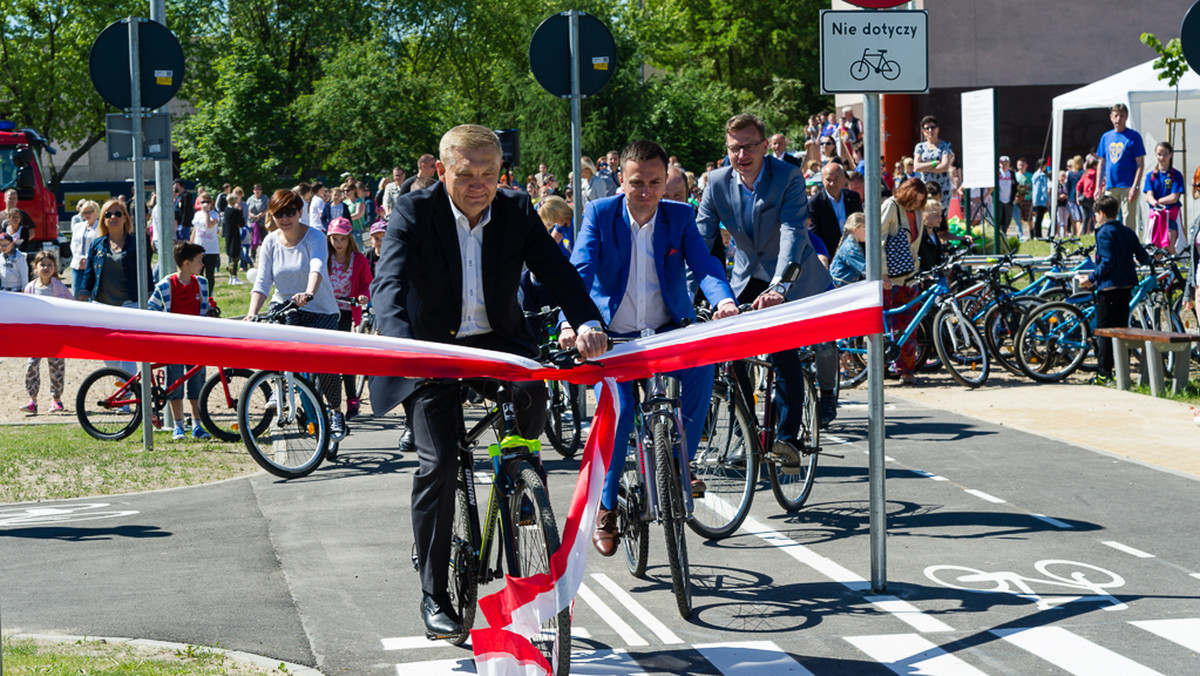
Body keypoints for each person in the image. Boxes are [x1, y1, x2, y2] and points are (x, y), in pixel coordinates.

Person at [370, 125, 607, 639]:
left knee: (530, 405)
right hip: (432, 348)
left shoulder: (518, 210)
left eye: (489, 174)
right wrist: (399, 343)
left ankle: (524, 495)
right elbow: (388, 283)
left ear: (502, 172)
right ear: (441, 170)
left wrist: (588, 322)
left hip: (499, 343)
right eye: (466, 174)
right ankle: (434, 593)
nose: (479, 184)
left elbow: (559, 273)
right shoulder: (414, 210)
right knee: (440, 462)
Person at [558, 139, 738, 556]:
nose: (646, 192)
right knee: (617, 418)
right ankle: (606, 508)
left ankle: (679, 466)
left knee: (701, 370)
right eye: (637, 182)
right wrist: (572, 322)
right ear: (620, 179)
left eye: (655, 182)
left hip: (665, 332)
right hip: (613, 341)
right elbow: (579, 271)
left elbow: (705, 264)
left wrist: (723, 300)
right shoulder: (601, 215)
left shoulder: (680, 216)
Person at [696, 113, 838, 456]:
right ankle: (748, 425)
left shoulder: (787, 175)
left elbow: (793, 232)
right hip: (746, 273)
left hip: (791, 274)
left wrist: (779, 287)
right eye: (734, 148)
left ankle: (787, 437)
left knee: (782, 349)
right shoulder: (716, 182)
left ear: (764, 147)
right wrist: (692, 290)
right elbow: (700, 241)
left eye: (749, 147)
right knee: (730, 351)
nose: (741, 155)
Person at [245, 189, 346, 434]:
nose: (285, 218)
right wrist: (251, 313)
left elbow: (317, 267)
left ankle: (335, 411)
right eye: (279, 213)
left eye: (290, 212)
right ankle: (279, 388)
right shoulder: (270, 241)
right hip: (284, 304)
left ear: (301, 212)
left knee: (324, 364)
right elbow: (262, 282)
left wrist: (309, 292)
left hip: (319, 308)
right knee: (276, 343)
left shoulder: (315, 237)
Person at [1076, 194, 1150, 385]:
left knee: (1105, 332)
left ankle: (1103, 373)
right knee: (1121, 331)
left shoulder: (1103, 233)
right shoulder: (1127, 231)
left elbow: (1107, 262)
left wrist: (1090, 279)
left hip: (1108, 288)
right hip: (1126, 287)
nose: (1096, 218)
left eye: (1096, 214)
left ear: (1101, 213)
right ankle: (1121, 372)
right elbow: (1142, 256)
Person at [148, 241, 214, 440]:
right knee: (174, 383)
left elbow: (205, 308)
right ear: (186, 263)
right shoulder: (166, 286)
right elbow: (152, 309)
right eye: (199, 260)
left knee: (197, 383)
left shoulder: (201, 283)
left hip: (195, 341)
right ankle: (178, 426)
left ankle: (197, 425)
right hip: (174, 343)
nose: (202, 264)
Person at [880, 178, 929, 385]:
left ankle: (905, 369)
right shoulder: (890, 206)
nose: (916, 205)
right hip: (889, 277)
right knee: (884, 324)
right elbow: (878, 238)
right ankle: (880, 366)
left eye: (920, 201)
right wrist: (882, 273)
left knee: (909, 325)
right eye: (914, 200)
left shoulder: (917, 212)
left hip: (909, 276)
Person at [325, 217, 373, 419]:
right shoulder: (324, 257)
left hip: (346, 310)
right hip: (326, 310)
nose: (338, 243)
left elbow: (367, 284)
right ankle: (327, 398)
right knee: (326, 358)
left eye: (342, 239)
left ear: (349, 239)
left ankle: (352, 399)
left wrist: (363, 296)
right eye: (334, 238)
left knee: (344, 357)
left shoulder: (358, 260)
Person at [19, 251, 74, 414]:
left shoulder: (60, 288)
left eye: (49, 265)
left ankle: (57, 400)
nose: (46, 268)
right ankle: (32, 400)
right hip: (36, 335)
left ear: (55, 267)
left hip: (55, 335)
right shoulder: (30, 287)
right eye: (42, 265)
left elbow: (71, 305)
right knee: (32, 366)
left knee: (56, 367)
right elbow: (24, 308)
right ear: (35, 268)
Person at [1095, 103, 1146, 234]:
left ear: (1126, 117)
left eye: (1122, 116)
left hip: (1128, 185)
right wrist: (1097, 186)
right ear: (1111, 117)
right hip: (1111, 186)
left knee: (1129, 220)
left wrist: (1135, 186)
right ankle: (1110, 245)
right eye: (1116, 115)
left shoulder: (1134, 136)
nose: (1118, 119)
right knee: (1106, 218)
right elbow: (1101, 162)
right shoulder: (1106, 137)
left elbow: (1140, 164)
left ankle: (1129, 249)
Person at [809, 162, 864, 257]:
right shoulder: (815, 203)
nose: (832, 183)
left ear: (843, 179)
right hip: (831, 256)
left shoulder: (853, 197)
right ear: (822, 180)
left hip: (855, 253)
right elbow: (816, 235)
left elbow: (861, 225)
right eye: (828, 180)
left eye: (836, 179)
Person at [1143, 141, 1184, 252]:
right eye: (1159, 154)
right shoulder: (1150, 176)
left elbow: (1174, 197)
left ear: (1171, 154)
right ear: (1155, 155)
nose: (1162, 157)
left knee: (1171, 242)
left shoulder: (1176, 175)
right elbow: (1149, 195)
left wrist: (1157, 201)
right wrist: (1153, 201)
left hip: (1170, 215)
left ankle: (1171, 265)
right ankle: (1158, 266)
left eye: (1165, 154)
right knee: (1155, 247)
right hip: (1156, 216)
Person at [913, 116, 955, 210]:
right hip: (926, 187)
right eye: (927, 128)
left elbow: (944, 167)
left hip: (942, 188)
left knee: (941, 216)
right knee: (926, 213)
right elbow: (916, 167)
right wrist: (934, 163)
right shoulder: (919, 147)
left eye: (932, 127)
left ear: (937, 129)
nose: (930, 130)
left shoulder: (945, 145)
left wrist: (924, 166)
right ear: (923, 131)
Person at [68, 200, 101, 299]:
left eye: (90, 212)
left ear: (96, 212)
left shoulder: (100, 227)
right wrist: (80, 258)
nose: (87, 215)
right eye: (85, 212)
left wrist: (88, 259)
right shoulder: (78, 226)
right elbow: (73, 244)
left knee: (93, 295)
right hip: (77, 265)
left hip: (93, 266)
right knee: (76, 295)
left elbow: (99, 245)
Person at [190, 195, 221, 290]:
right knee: (198, 274)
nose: (205, 204)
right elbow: (195, 230)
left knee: (209, 274)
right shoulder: (197, 214)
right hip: (199, 248)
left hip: (211, 249)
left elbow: (208, 225)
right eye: (203, 202)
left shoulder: (214, 214)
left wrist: (207, 212)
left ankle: (209, 295)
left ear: (211, 203)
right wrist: (191, 244)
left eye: (207, 202)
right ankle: (199, 293)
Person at [830, 212, 867, 287]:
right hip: (839, 287)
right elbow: (864, 269)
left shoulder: (854, 244)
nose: (867, 233)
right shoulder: (850, 248)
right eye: (864, 229)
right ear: (855, 230)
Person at [223, 192, 246, 284]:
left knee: (232, 255)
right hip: (235, 234)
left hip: (228, 234)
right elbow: (242, 222)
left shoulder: (226, 210)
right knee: (236, 255)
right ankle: (233, 276)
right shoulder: (235, 211)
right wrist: (240, 211)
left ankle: (232, 275)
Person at [246, 184, 270, 260]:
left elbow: (268, 208)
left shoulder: (265, 198)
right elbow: (247, 209)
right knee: (253, 240)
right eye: (256, 189)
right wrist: (252, 215)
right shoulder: (250, 199)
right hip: (252, 223)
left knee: (264, 240)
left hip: (262, 222)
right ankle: (253, 256)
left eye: (259, 189)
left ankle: (265, 256)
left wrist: (261, 214)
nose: (258, 191)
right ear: (253, 190)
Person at [996, 156, 1016, 239]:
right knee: (999, 218)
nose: (1004, 165)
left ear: (1009, 164)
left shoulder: (1011, 173)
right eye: (1002, 164)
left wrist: (1013, 197)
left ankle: (1004, 233)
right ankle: (999, 234)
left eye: (1006, 164)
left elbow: (1014, 185)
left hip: (1009, 200)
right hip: (999, 200)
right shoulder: (997, 173)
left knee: (1007, 219)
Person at [1030, 160, 1050, 240]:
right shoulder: (1042, 175)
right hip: (1041, 199)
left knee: (1037, 218)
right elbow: (1044, 188)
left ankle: (1036, 234)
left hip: (1035, 199)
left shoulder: (1034, 175)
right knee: (1039, 218)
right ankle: (1038, 235)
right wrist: (1047, 199)